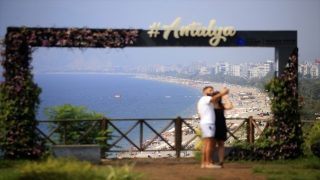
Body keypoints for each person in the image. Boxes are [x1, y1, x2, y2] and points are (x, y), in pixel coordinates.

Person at [197, 86, 229, 168]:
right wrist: (222, 93)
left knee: (206, 143)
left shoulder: (203, 100)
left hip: (206, 123)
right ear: (204, 91)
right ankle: (208, 163)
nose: (212, 92)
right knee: (209, 144)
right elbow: (212, 99)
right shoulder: (206, 99)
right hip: (208, 123)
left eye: (212, 90)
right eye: (210, 90)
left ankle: (204, 163)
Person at [212, 91, 233, 168]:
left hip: (221, 125)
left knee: (221, 144)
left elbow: (230, 106)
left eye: (219, 96)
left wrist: (225, 97)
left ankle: (221, 162)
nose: (217, 98)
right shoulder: (210, 105)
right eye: (216, 96)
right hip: (213, 126)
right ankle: (211, 161)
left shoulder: (221, 105)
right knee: (212, 145)